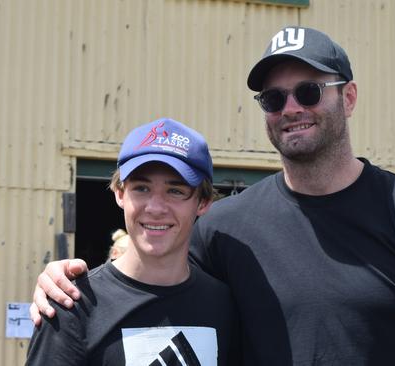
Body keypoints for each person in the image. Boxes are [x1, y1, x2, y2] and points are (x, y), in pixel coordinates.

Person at [30, 27, 395, 365]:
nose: (291, 108)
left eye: (309, 91)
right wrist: (65, 283)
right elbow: (154, 275)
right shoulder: (223, 230)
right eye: (274, 98)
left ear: (350, 97)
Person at [26, 118, 239, 365]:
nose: (156, 208)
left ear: (203, 203)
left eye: (176, 191)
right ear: (119, 194)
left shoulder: (225, 304)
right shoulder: (72, 305)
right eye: (141, 188)